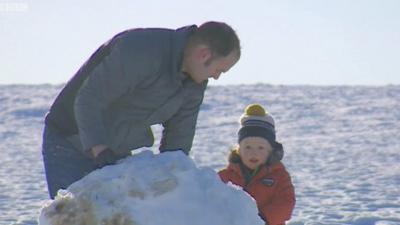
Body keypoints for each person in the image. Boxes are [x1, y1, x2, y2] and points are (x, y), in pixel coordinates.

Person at [42, 21, 241, 199]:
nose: (216, 77)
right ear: (203, 54)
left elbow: (179, 136)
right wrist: (99, 149)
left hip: (113, 151)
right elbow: (89, 98)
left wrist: (171, 177)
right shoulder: (141, 49)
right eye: (219, 70)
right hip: (69, 139)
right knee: (73, 218)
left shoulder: (194, 82)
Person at [218, 104, 295, 225]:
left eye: (260, 148)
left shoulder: (279, 176)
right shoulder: (225, 177)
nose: (253, 153)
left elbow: (286, 203)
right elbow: (211, 199)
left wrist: (263, 218)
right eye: (247, 147)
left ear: (270, 151)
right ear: (239, 150)